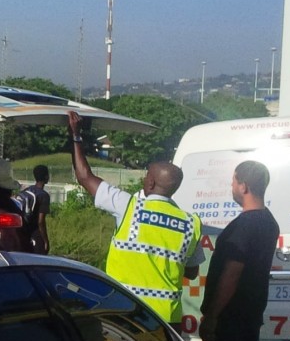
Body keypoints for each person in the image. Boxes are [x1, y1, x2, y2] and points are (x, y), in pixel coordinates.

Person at [67, 110, 202, 323]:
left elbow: (84, 177)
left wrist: (76, 136)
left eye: (146, 175)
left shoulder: (128, 206)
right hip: (168, 318)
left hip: (126, 312)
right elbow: (192, 272)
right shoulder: (190, 223)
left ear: (150, 184)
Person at [199, 159, 288, 341]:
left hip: (231, 314)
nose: (232, 187)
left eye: (233, 181)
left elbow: (231, 274)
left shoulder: (244, 226)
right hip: (250, 311)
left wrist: (212, 314)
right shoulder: (268, 221)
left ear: (244, 186)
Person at [17, 164, 51, 253]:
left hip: (23, 233)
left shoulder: (27, 190)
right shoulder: (44, 196)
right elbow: (40, 221)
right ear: (46, 177)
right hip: (35, 233)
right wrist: (45, 240)